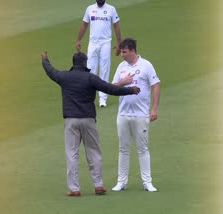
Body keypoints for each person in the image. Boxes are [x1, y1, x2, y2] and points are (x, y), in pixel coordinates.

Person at [41, 51, 139, 197]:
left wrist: (45, 61)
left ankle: (74, 189)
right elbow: (110, 89)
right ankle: (98, 185)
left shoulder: (64, 77)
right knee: (93, 151)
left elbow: (51, 72)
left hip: (71, 120)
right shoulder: (90, 78)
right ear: (85, 63)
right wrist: (130, 90)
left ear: (73, 63)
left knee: (72, 154)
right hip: (88, 119)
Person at [111, 38, 160, 192]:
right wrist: (123, 82)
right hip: (123, 114)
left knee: (142, 149)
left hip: (141, 115)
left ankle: (147, 183)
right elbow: (112, 87)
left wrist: (154, 109)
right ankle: (121, 182)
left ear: (132, 50)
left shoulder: (146, 65)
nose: (122, 55)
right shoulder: (121, 67)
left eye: (124, 52)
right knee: (123, 149)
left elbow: (156, 86)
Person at [76, 0, 121, 107]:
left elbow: (117, 26)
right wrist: (78, 40)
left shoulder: (111, 9)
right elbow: (84, 25)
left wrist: (119, 42)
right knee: (90, 69)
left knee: (104, 70)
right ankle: (89, 97)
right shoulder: (90, 9)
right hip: (93, 43)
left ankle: (103, 99)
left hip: (106, 42)